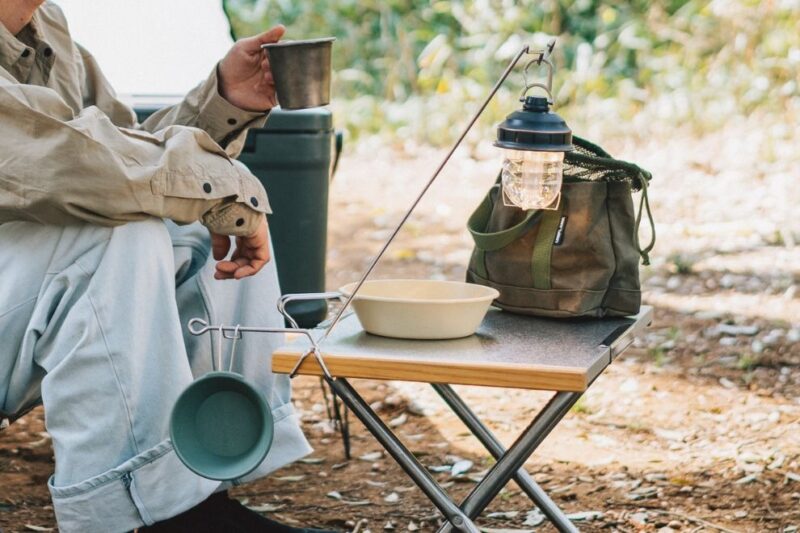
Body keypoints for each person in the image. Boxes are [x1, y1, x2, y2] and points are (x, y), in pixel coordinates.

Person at [0, 2, 332, 532]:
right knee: (114, 235)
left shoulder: (46, 27)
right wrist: (224, 191)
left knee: (192, 226)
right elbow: (73, 167)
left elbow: (128, 149)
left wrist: (222, 100)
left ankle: (210, 463)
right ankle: (150, 512)